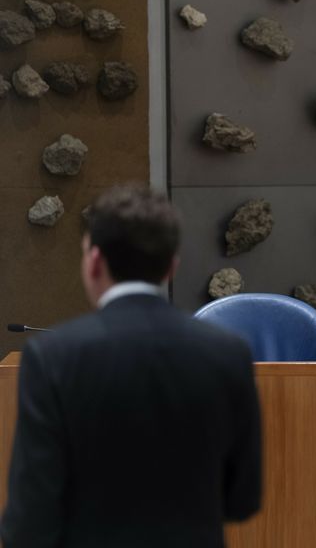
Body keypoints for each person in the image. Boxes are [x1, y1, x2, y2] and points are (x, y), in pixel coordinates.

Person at [1, 186, 262, 548]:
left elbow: (30, 520)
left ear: (94, 262)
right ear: (171, 266)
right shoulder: (228, 353)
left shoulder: (52, 357)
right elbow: (242, 499)